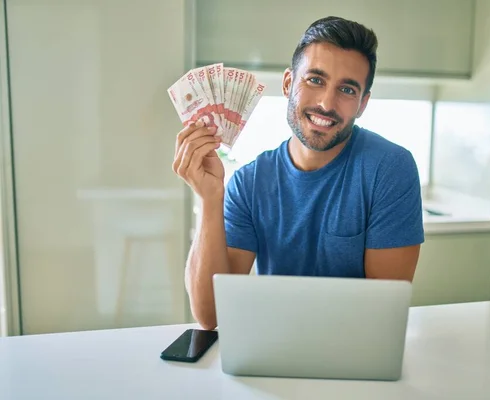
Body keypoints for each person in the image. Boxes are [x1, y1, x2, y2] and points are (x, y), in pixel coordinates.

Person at [172, 16, 424, 329]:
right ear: (289, 83)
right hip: (271, 351)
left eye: (346, 89)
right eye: (315, 80)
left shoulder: (390, 169)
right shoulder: (249, 182)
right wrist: (210, 199)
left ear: (362, 104)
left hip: (354, 358)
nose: (326, 103)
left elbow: (383, 313)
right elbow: (210, 316)